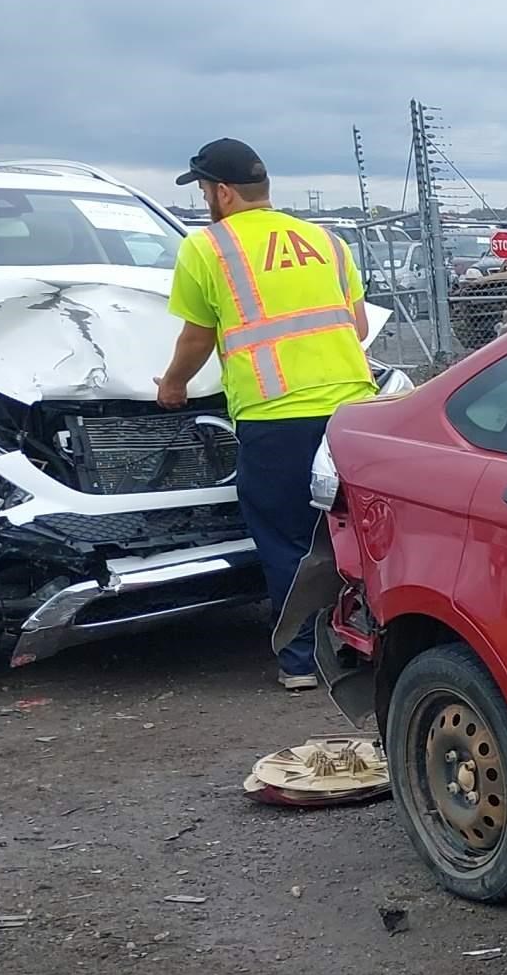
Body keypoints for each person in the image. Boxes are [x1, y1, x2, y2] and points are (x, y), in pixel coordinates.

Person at [154, 138, 375, 690]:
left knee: (286, 538)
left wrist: (174, 385)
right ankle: (369, 646)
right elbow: (359, 326)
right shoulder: (326, 240)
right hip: (354, 408)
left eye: (204, 188)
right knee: (352, 533)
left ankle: (302, 661)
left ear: (222, 192)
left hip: (276, 414)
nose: (205, 198)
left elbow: (197, 335)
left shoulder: (208, 247)